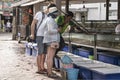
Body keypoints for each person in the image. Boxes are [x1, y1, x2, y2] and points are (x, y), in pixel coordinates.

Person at [30, 3, 56, 74]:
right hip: (40, 35)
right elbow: (33, 23)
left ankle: (42, 67)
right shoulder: (39, 14)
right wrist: (32, 34)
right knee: (40, 52)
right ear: (49, 9)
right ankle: (39, 69)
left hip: (46, 37)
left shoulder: (49, 16)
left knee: (44, 53)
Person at [43, 6, 60, 78]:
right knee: (50, 57)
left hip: (50, 40)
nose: (57, 15)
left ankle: (49, 72)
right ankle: (50, 73)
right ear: (54, 13)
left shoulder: (49, 19)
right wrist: (57, 30)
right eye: (56, 13)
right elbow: (50, 30)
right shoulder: (50, 20)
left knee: (49, 57)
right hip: (52, 40)